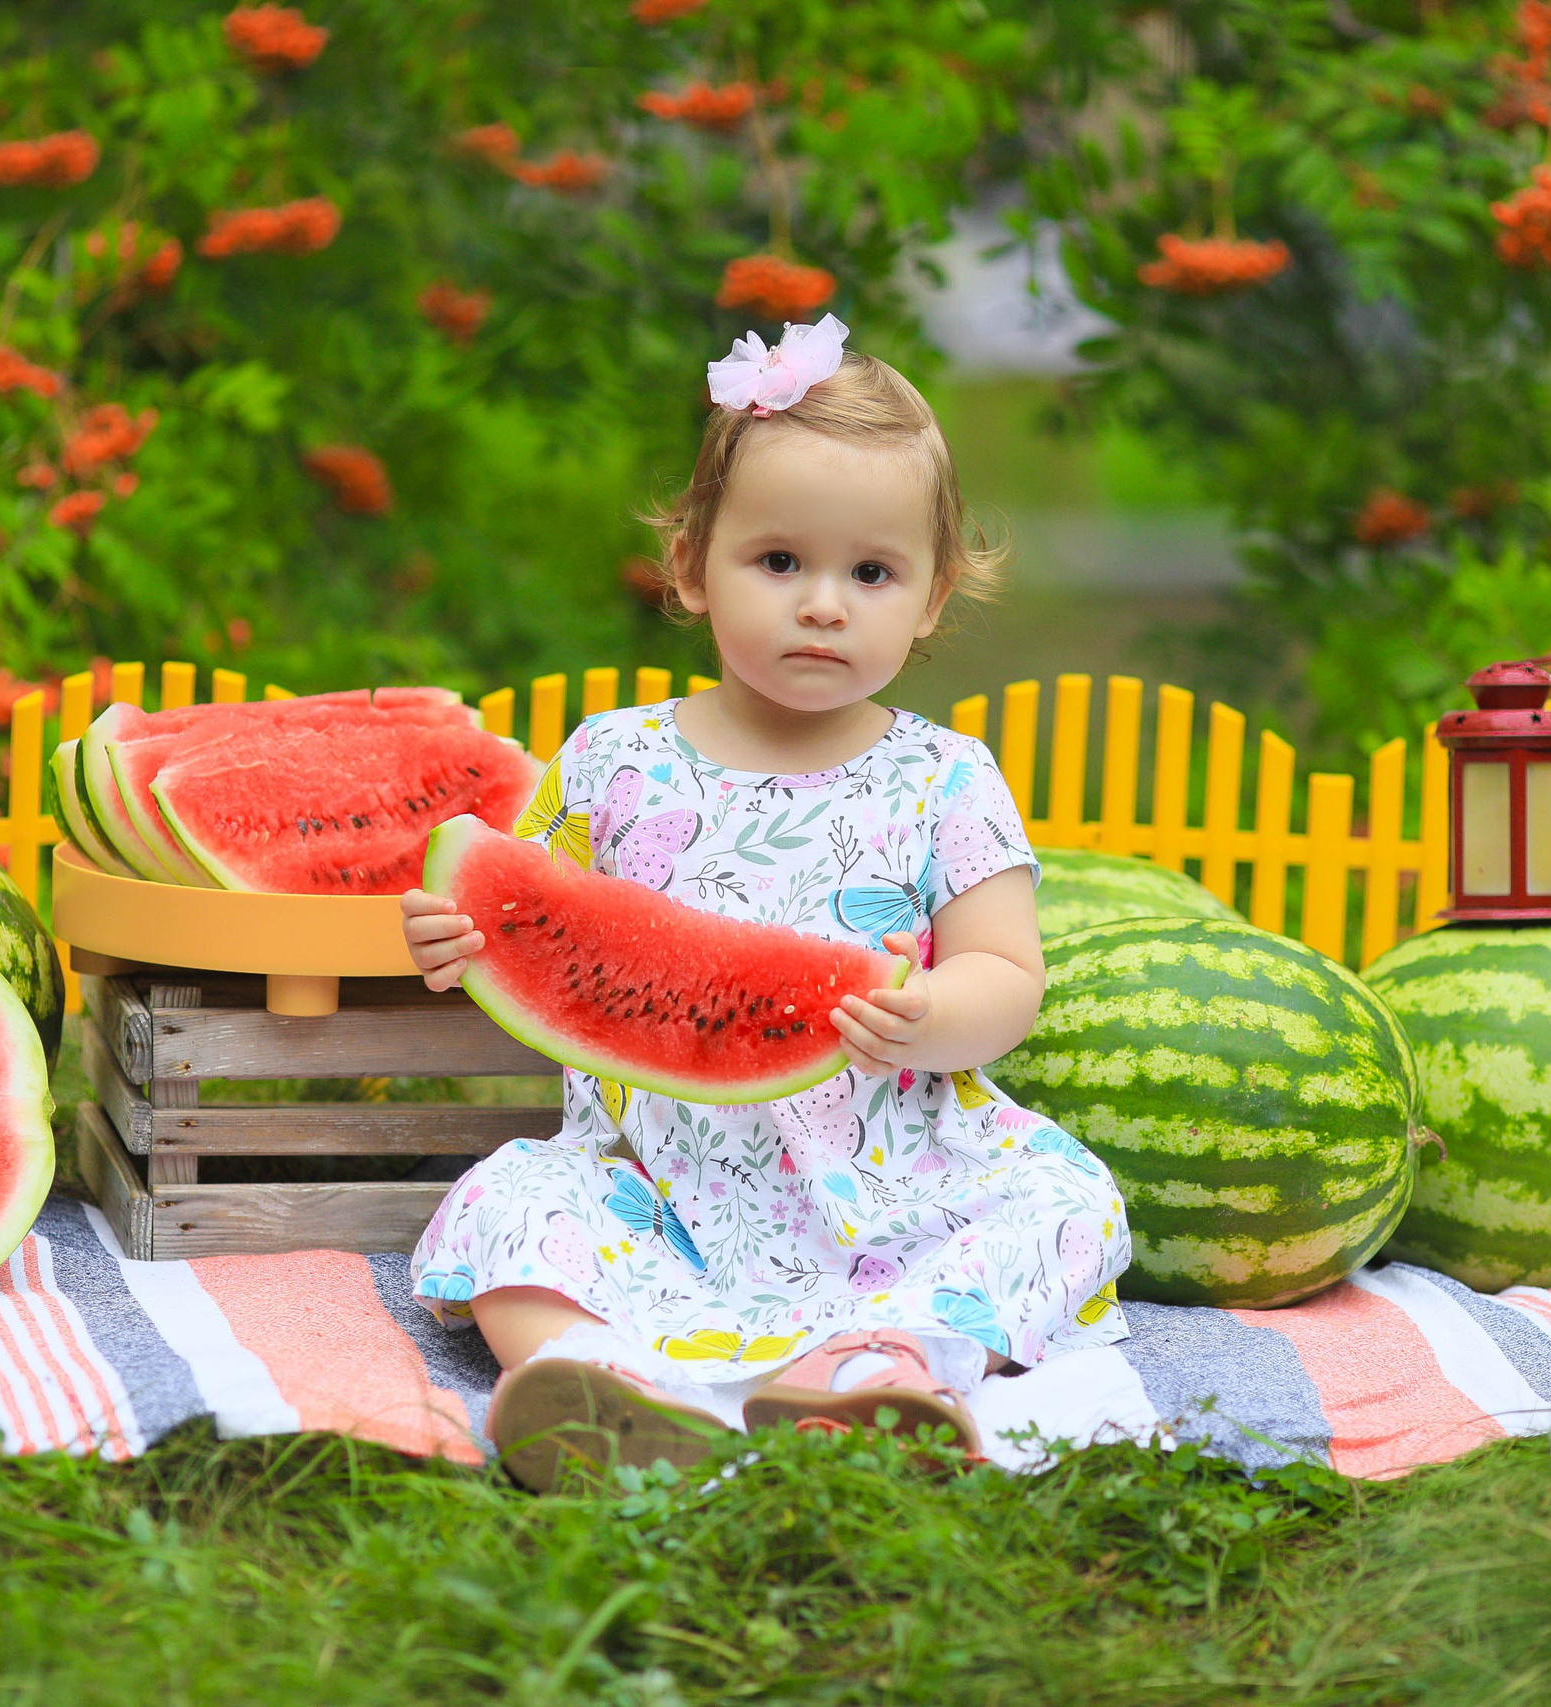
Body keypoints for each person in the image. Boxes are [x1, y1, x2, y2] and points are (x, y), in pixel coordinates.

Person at [401, 316, 1132, 1491]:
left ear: (933, 598)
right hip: (653, 1181)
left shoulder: (946, 777)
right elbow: (539, 930)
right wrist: (457, 940)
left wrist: (938, 1012)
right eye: (779, 562)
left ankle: (880, 1372)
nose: (824, 605)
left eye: (872, 573)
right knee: (511, 1202)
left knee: (1064, 1199)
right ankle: (590, 1384)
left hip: (901, 1182)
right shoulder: (611, 758)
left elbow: (1008, 977)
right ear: (691, 566)